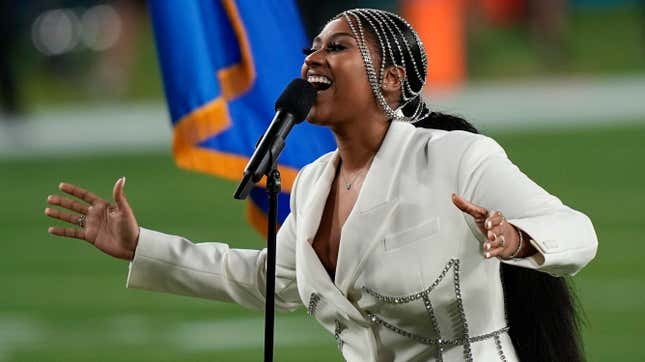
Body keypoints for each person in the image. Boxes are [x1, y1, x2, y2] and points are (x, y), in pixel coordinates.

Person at [45, 8, 597, 362]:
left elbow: (578, 232)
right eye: (313, 47)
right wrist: (140, 247)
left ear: (390, 80)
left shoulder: (452, 155)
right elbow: (268, 279)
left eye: (337, 47)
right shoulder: (310, 183)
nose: (313, 57)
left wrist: (518, 240)